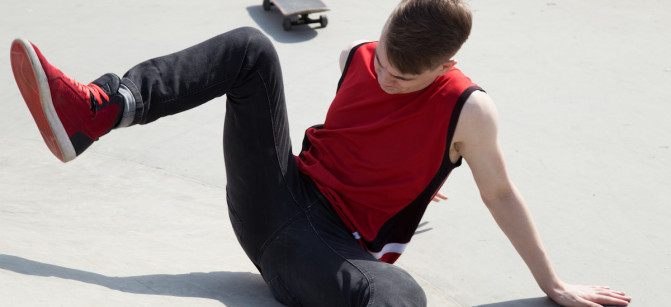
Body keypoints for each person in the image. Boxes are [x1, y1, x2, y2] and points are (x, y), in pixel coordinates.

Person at [10, 0, 631, 306]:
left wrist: (551, 284)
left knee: (401, 298)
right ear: (385, 28)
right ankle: (98, 109)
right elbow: (363, 122)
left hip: (325, 254)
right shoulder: (359, 53)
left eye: (404, 80)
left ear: (445, 66)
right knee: (251, 49)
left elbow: (499, 193)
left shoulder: (470, 111)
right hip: (274, 199)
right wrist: (409, 166)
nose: (384, 77)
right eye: (384, 61)